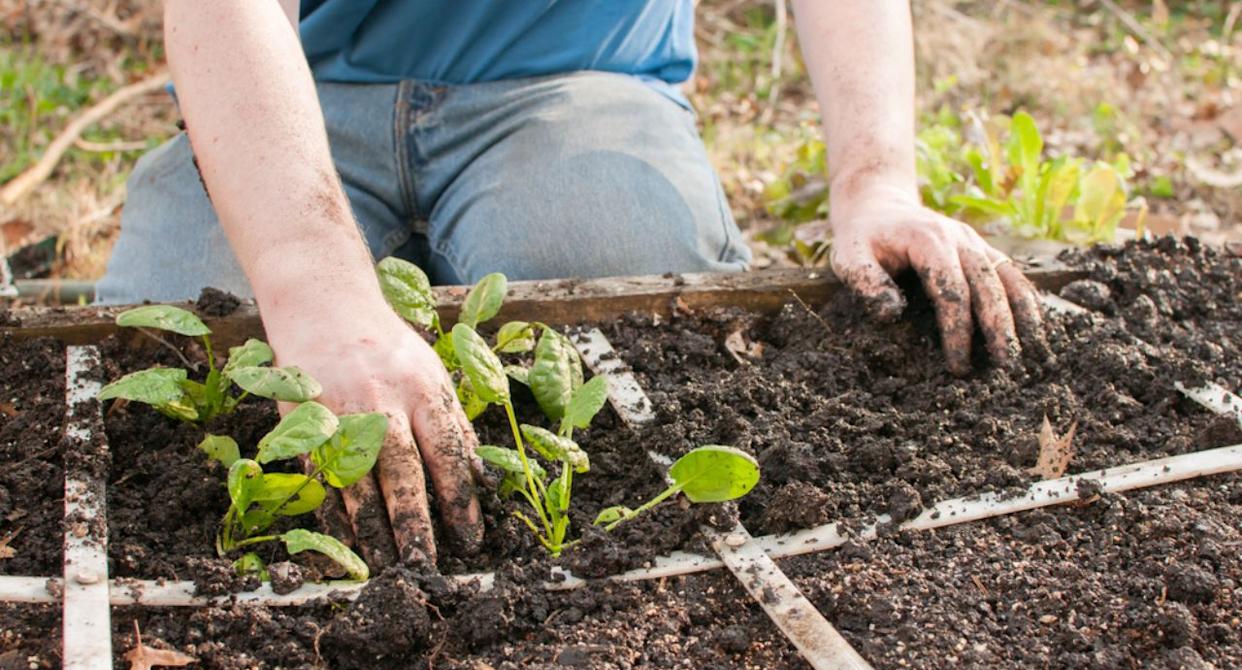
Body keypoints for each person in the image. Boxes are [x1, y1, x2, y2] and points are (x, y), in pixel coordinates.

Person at [97, 1, 1045, 569]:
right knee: (162, 384)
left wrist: (875, 181)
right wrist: (312, 281)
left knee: (635, 323)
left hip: (578, 84)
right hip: (286, 88)